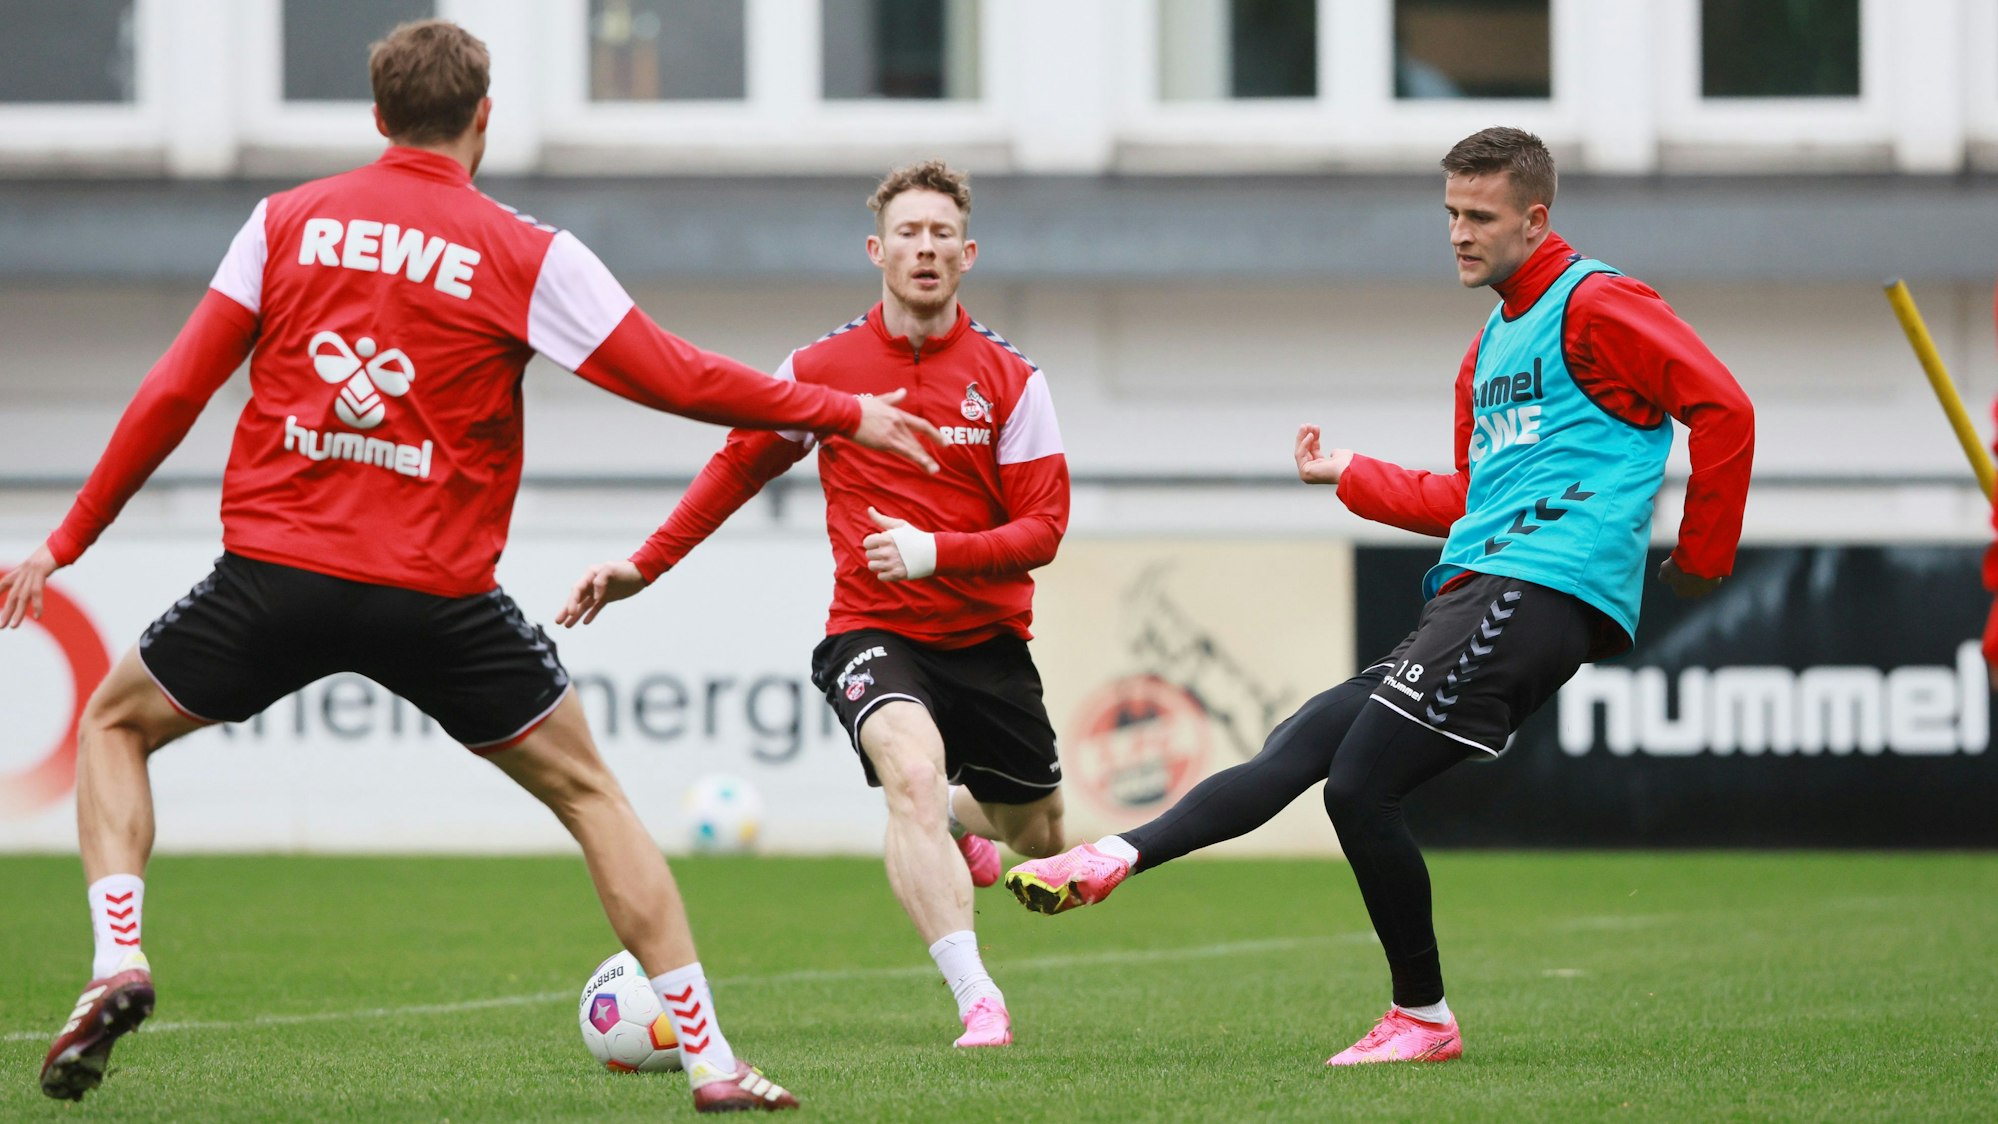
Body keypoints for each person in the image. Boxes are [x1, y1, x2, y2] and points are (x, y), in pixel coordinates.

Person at [0, 20, 944, 1113]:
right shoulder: (525, 251)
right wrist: (841, 410)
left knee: (117, 726)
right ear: (484, 118)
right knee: (594, 797)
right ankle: (712, 1060)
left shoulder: (283, 222)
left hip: (276, 575)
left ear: (376, 117)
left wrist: (66, 541)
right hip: (437, 596)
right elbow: (675, 377)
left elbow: (173, 391)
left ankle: (120, 952)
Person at [1006, 127, 1755, 1067]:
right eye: (1449, 213)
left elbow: (1724, 404)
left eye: (1479, 216)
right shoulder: (1487, 349)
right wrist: (1352, 472)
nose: (1458, 234)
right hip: (1476, 588)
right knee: (1308, 740)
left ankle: (1423, 1017)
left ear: (1536, 218)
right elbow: (1471, 500)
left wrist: (1706, 549)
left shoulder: (1599, 303)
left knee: (1361, 785)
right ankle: (1114, 856)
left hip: (1540, 590)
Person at [558, 160, 1071, 1050]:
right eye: (908, 233)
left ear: (968, 253)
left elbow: (1044, 529)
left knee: (1040, 831)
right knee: (912, 775)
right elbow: (736, 467)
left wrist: (936, 553)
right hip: (870, 634)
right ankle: (978, 997)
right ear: (876, 250)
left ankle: (961, 823)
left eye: (941, 234)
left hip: (986, 638)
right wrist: (646, 565)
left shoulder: (1014, 381)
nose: (924, 248)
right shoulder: (822, 370)